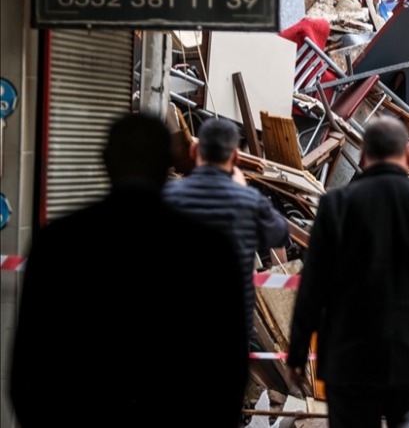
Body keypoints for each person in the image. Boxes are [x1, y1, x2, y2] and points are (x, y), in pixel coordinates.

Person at [11, 115, 249, 427]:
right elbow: (229, 371)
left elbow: (28, 368)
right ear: (168, 164)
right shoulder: (211, 250)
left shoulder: (59, 242)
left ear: (106, 160)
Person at [287, 117, 409, 428]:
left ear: (362, 157)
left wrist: (296, 356)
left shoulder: (337, 205)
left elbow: (313, 288)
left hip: (350, 359)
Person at [163, 117, 290, 331]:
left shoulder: (168, 195)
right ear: (235, 156)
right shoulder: (250, 202)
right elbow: (281, 234)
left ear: (194, 150)